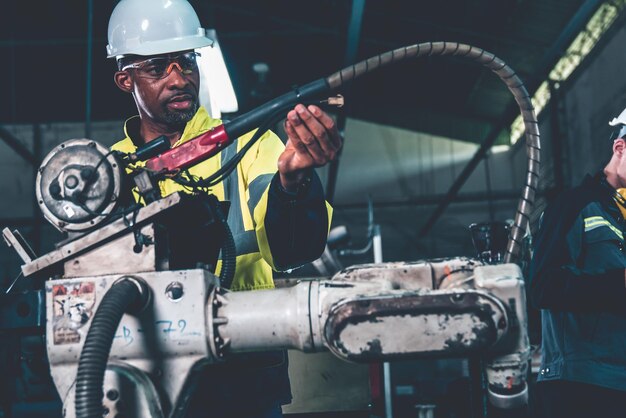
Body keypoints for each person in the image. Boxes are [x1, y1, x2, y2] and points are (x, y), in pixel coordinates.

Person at [106, 0, 341, 417]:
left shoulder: (248, 145)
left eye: (186, 62)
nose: (179, 78)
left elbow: (293, 249)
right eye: (159, 68)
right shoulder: (107, 173)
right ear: (126, 80)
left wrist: (295, 182)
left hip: (243, 367)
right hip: (146, 372)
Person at [529, 106, 626, 418]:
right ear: (620, 147)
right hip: (582, 385)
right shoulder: (573, 206)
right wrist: (618, 282)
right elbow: (544, 286)